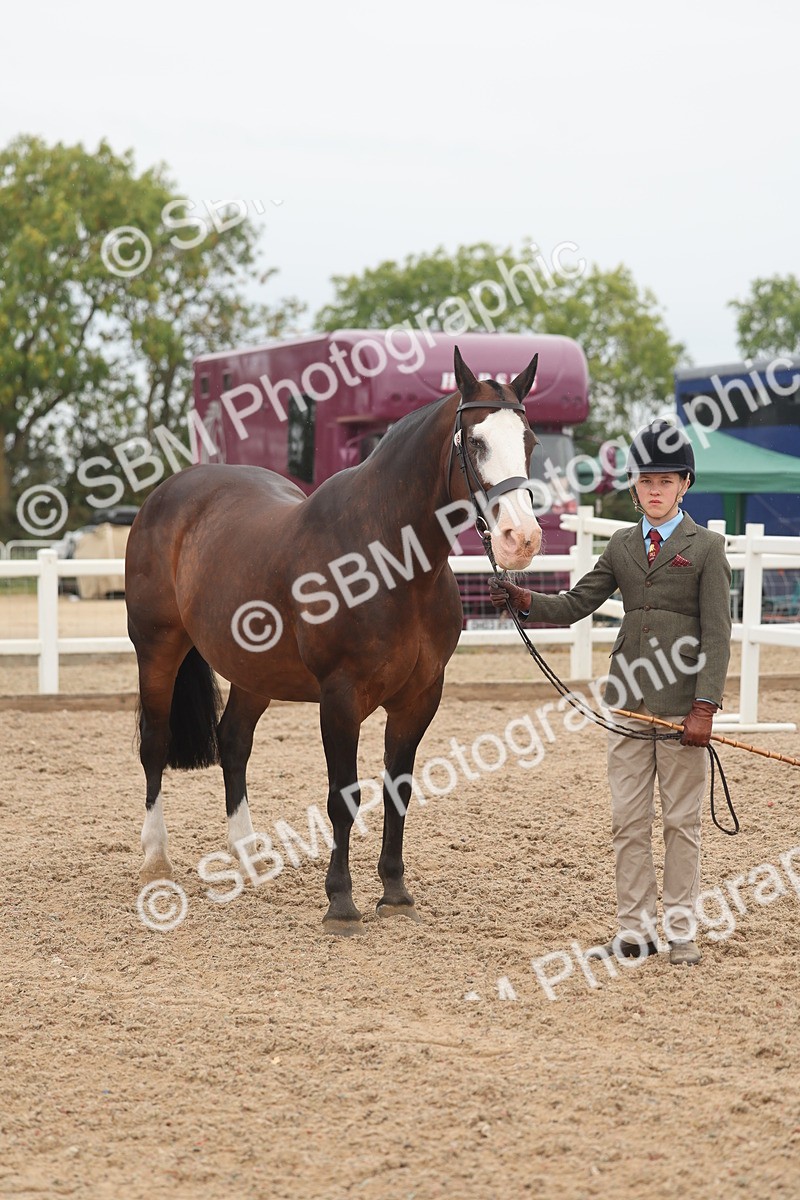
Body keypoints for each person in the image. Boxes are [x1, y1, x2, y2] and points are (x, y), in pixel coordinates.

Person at [489, 420, 732, 967]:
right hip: (626, 702)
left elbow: (718, 636)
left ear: (684, 485)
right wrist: (526, 601)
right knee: (627, 821)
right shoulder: (622, 545)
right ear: (634, 486)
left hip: (681, 710)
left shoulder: (707, 548)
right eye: (646, 480)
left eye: (665, 481)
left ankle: (682, 931)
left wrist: (705, 706)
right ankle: (635, 930)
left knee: (680, 823)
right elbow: (578, 603)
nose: (654, 490)